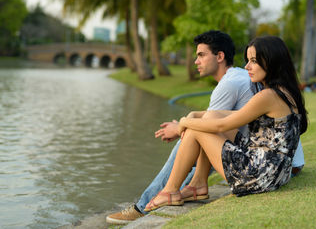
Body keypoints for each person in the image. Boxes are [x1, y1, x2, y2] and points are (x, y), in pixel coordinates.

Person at [106, 31, 305, 225]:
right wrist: (196, 116)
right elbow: (232, 117)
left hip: (261, 176)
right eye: (248, 60)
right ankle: (196, 185)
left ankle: (169, 191)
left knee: (197, 130)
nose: (247, 66)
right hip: (275, 171)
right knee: (204, 121)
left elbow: (221, 125)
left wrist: (184, 123)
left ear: (270, 61)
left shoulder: (267, 95)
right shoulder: (282, 92)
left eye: (253, 60)